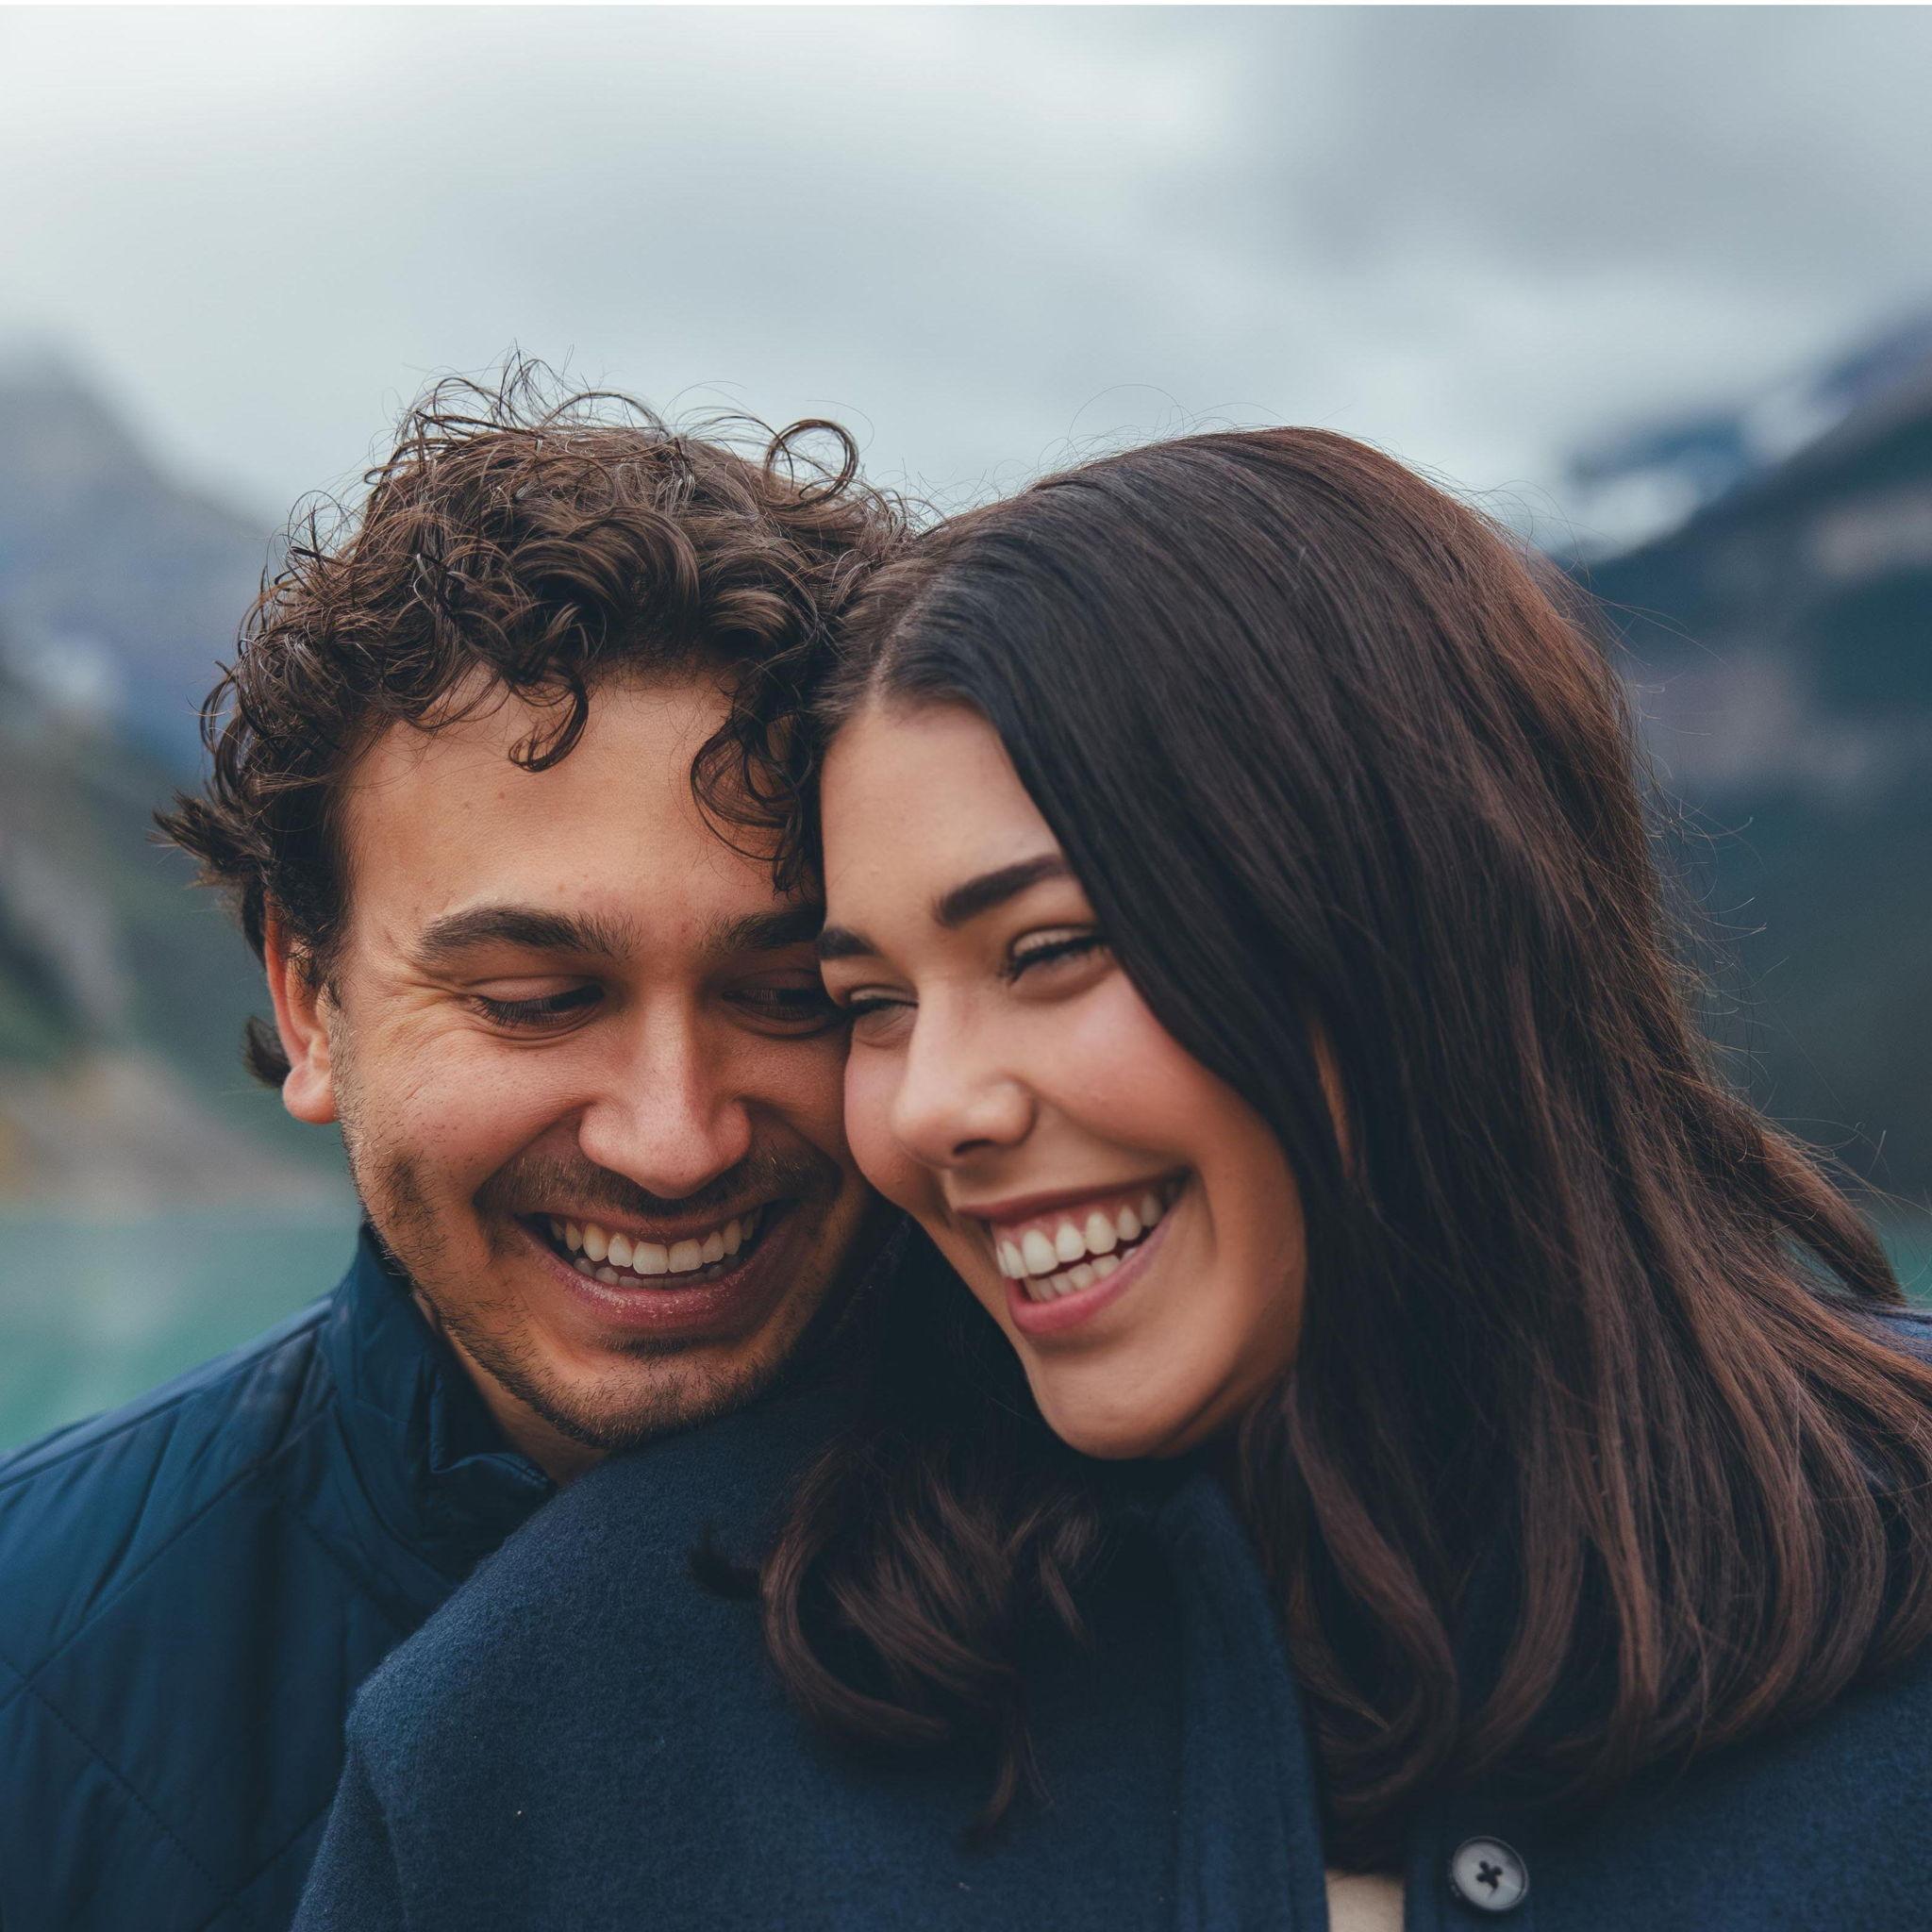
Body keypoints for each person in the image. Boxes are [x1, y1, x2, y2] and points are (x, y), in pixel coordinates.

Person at [302, 426, 1932, 1931]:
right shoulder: (569, 1714)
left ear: (1417, 928)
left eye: (1055, 949)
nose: (931, 1109)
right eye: (867, 1004)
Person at [0, 374, 901, 1932]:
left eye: (787, 993)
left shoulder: (1192, 1562)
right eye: (539, 1001)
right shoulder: (31, 1651)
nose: (673, 1138)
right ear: (309, 1001)